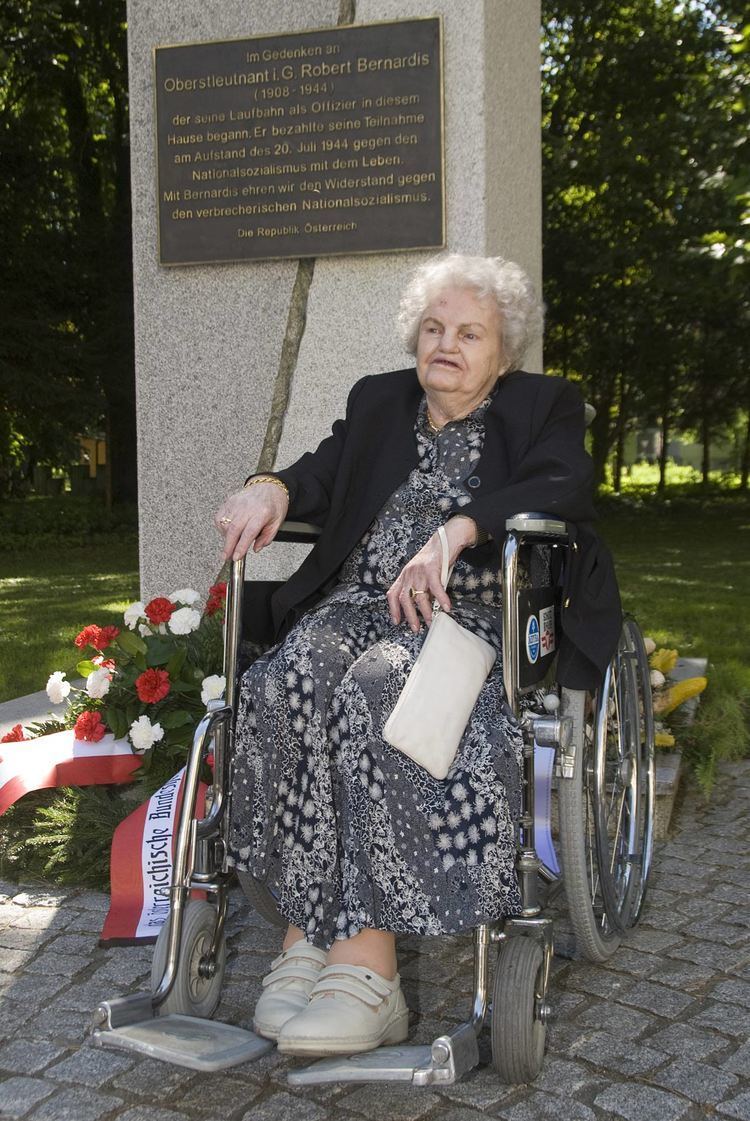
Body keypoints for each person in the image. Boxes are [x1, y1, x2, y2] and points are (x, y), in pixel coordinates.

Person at [215, 253, 621, 1058]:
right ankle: (307, 939)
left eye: (470, 332)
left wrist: (461, 528)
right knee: (284, 677)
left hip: (473, 616)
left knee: (379, 689)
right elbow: (319, 473)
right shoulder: (379, 400)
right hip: (361, 604)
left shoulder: (544, 405)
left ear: (501, 351)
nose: (447, 344)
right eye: (434, 328)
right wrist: (272, 489)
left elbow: (567, 483)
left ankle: (368, 970)